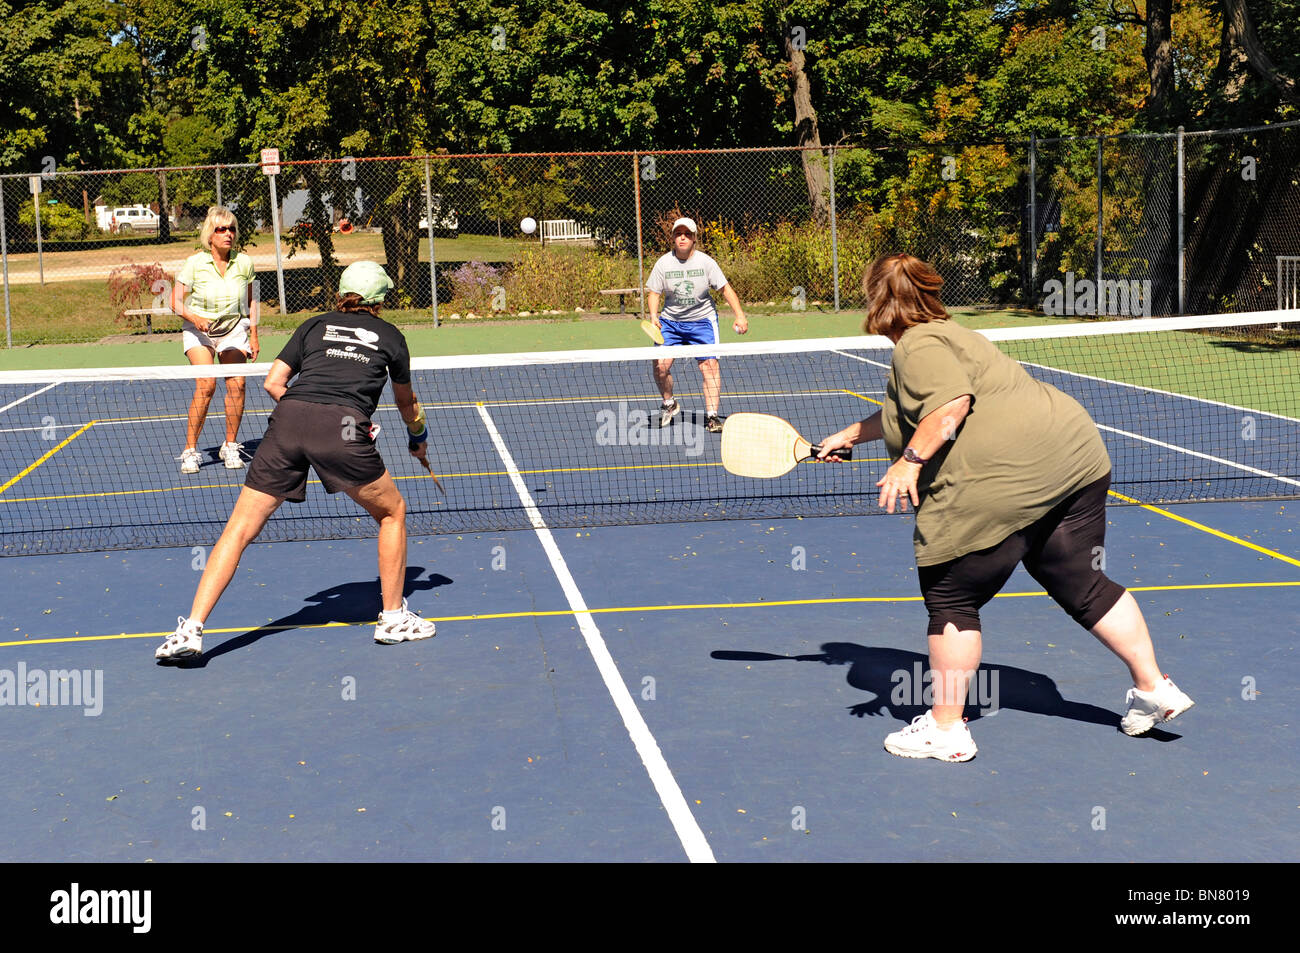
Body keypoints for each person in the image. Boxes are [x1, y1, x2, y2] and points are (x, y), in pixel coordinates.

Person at [817, 253, 1193, 762]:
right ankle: (1154, 688)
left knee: (951, 596)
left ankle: (946, 729)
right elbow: (917, 408)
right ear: (928, 289)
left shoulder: (917, 348)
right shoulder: (953, 333)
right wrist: (852, 435)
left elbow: (950, 405)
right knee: (1082, 583)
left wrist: (909, 462)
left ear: (875, 301)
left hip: (1003, 480)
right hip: (1074, 461)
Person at [155, 261, 438, 660]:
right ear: (379, 300)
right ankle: (393, 618)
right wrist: (417, 436)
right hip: (341, 427)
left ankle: (190, 630)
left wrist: (308, 415)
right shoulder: (391, 336)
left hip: (286, 421)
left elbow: (273, 382)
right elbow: (406, 402)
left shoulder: (313, 325)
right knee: (392, 512)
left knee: (237, 529)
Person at [172, 206, 259, 474]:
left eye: (232, 228)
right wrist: (195, 318)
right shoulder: (195, 263)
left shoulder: (244, 263)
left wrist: (254, 334)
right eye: (221, 229)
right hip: (199, 331)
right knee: (206, 385)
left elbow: (251, 300)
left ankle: (230, 446)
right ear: (210, 235)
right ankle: (190, 451)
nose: (228, 234)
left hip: (234, 328)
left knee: (238, 385)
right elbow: (174, 302)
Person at [646, 217, 748, 433]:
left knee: (709, 367)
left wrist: (740, 315)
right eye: (678, 234)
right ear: (673, 237)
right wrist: (654, 315)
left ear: (694, 238)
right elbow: (654, 292)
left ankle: (712, 417)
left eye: (687, 234)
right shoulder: (663, 263)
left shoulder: (706, 263)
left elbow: (726, 290)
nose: (682, 237)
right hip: (671, 323)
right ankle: (669, 404)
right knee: (660, 367)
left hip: (702, 322)